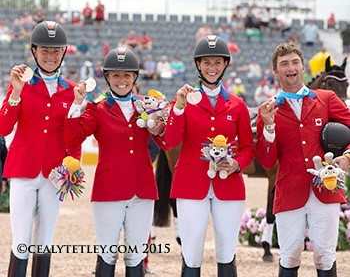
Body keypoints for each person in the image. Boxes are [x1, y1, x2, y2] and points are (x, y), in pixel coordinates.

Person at [64, 47, 167, 276]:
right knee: (107, 253)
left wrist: (161, 127)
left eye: (127, 75)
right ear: (107, 77)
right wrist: (76, 104)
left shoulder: (148, 105)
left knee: (136, 254)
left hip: (143, 190)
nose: (122, 80)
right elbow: (73, 137)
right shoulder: (97, 108)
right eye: (116, 75)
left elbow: (166, 143)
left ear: (134, 77)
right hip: (109, 190)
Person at [163, 35, 255, 276]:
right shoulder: (183, 100)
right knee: (192, 253)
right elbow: (170, 141)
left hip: (229, 186)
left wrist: (237, 164)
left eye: (217, 62)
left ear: (225, 65)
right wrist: (179, 107)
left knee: (227, 253)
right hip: (191, 184)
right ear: (198, 65)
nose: (212, 68)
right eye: (207, 62)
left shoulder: (237, 105)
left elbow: (248, 148)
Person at [256, 42, 350, 276]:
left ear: (303, 66)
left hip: (326, 187)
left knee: (325, 255)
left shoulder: (326, 98)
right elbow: (267, 162)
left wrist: (348, 156)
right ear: (275, 71)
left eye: (295, 62)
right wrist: (268, 127)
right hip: (289, 190)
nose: (291, 68)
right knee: (289, 253)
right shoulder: (267, 110)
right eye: (284, 64)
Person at [0, 21, 80, 276]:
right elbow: (3, 127)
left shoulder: (71, 91)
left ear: (64, 52)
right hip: (23, 170)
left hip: (54, 174)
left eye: (56, 51)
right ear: (34, 51)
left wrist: (73, 164)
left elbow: (74, 136)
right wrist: (16, 93)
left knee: (44, 240)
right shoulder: (21, 83)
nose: (50, 56)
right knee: (21, 240)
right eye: (45, 50)